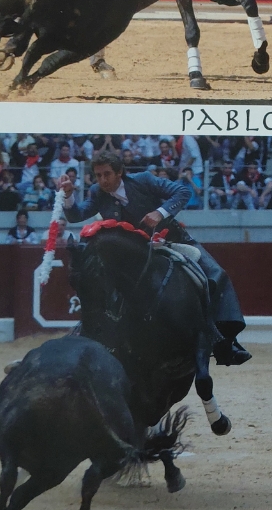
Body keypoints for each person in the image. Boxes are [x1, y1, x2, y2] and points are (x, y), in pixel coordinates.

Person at [61, 153, 250, 365]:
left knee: (216, 274)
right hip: (132, 256)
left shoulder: (143, 180)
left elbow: (182, 191)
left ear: (119, 172)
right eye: (98, 175)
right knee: (102, 280)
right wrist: (68, 195)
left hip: (171, 240)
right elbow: (76, 215)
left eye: (107, 174)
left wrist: (159, 213)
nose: (103, 180)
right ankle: (95, 331)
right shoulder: (97, 192)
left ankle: (223, 340)